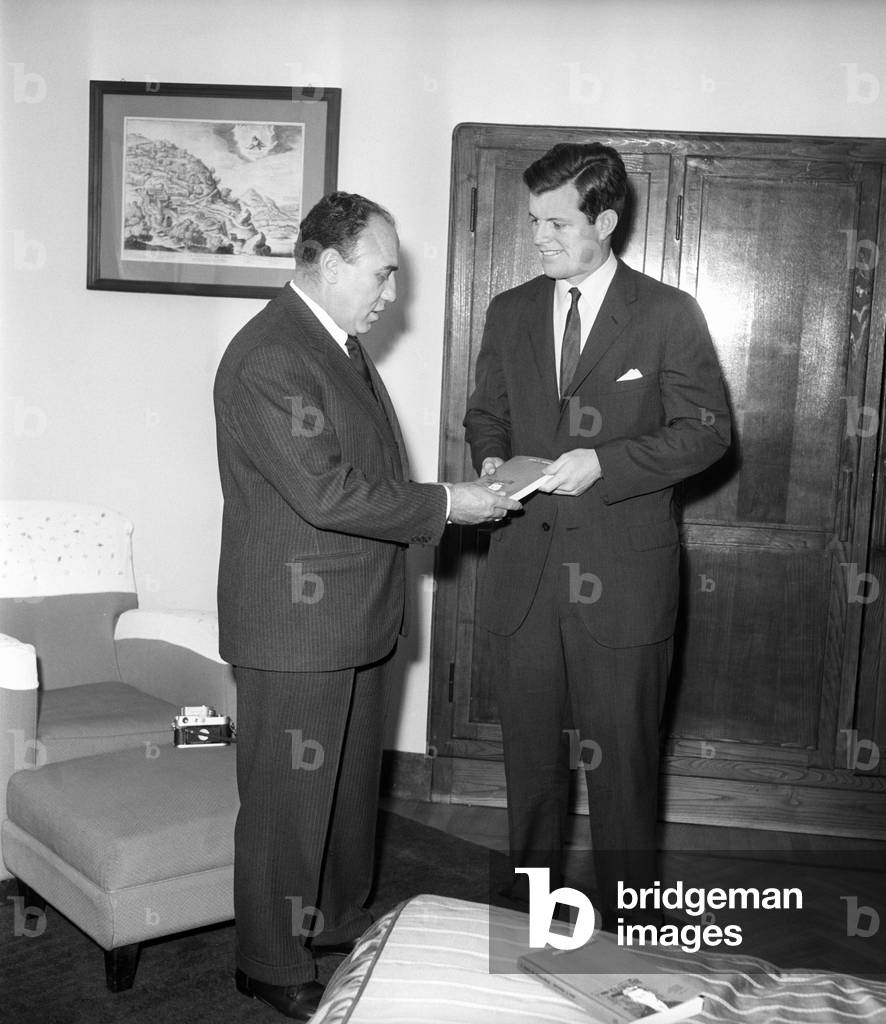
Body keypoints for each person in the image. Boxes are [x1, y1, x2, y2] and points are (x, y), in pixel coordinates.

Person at [214, 191, 519, 1021]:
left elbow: (362, 474)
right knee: (286, 801)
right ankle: (266, 959)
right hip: (297, 623)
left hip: (356, 615)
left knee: (346, 789)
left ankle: (333, 918)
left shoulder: (334, 344)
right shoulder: (270, 354)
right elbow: (328, 491)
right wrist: (450, 504)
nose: (392, 293)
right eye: (383, 274)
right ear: (333, 263)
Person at [464, 143, 731, 929]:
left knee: (622, 773)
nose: (538, 237)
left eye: (555, 222)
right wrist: (489, 459)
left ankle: (626, 934)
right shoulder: (508, 311)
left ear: (604, 220)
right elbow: (487, 412)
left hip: (622, 580)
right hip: (522, 577)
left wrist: (604, 464)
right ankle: (528, 922)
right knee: (533, 771)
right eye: (532, 220)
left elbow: (707, 434)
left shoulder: (666, 314)